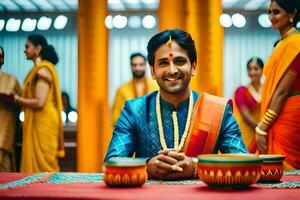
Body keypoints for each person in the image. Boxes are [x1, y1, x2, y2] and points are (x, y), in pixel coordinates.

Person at [105, 29, 247, 180]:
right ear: (153, 71)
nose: (172, 70)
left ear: (193, 66)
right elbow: (112, 161)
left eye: (179, 61)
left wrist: (196, 166)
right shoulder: (134, 110)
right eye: (163, 63)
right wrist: (147, 166)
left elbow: (242, 162)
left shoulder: (219, 110)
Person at [255, 0, 300, 170]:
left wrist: (262, 127)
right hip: (278, 112)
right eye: (269, 12)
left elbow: (281, 92)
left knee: (286, 167)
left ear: (292, 14)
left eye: (276, 12)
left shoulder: (295, 45)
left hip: (289, 114)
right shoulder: (282, 44)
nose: (271, 17)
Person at [13, 34, 64, 172]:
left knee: (46, 166)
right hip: (38, 120)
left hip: (43, 122)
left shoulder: (43, 70)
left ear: (38, 48)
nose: (24, 50)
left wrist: (17, 99)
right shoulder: (37, 70)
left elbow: (40, 102)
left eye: (27, 46)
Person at [112, 52, 158, 125]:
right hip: (130, 131)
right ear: (131, 66)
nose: (138, 68)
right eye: (134, 65)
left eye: (141, 64)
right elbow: (116, 115)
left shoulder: (156, 87)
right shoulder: (122, 90)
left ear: (146, 66)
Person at [233, 57, 264, 153]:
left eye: (256, 68)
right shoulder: (241, 91)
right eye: (250, 69)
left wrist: (263, 129)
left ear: (262, 70)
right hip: (248, 132)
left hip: (264, 132)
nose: (252, 72)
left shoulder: (268, 90)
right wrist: (259, 128)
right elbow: (244, 113)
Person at [0, 46, 21, 171]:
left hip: (5, 132)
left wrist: (12, 99)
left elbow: (22, 103)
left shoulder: (12, 80)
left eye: (1, 56)